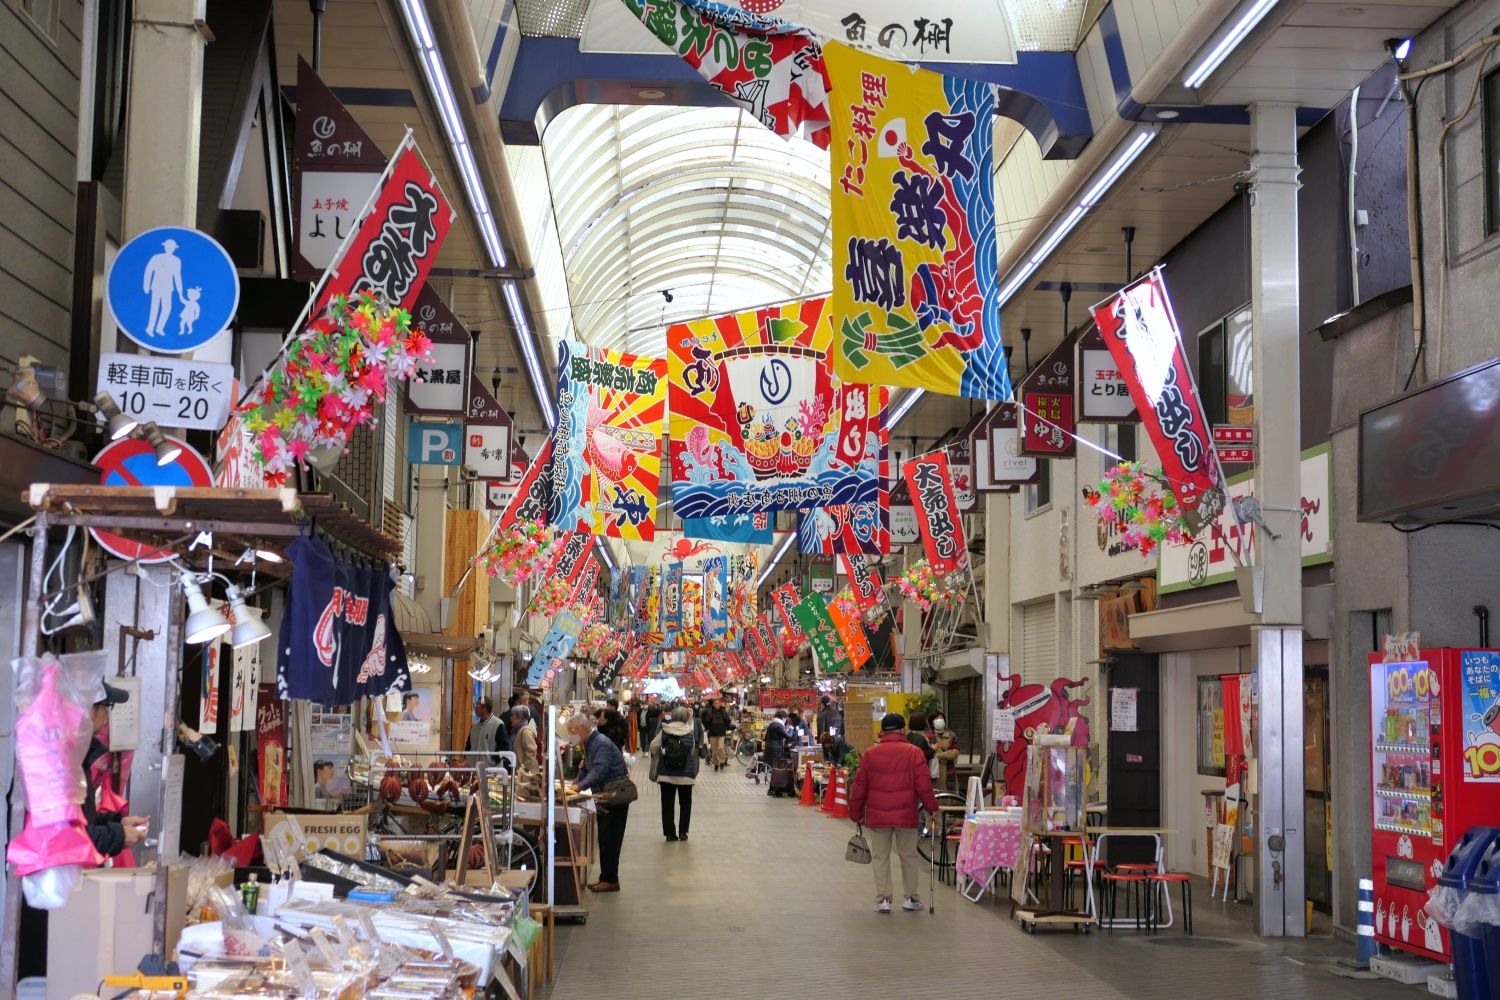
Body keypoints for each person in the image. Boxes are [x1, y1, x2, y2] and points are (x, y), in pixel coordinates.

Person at [849, 713, 939, 913]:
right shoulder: (914, 753)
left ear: (883, 731)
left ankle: (883, 900)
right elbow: (924, 785)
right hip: (906, 815)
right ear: (902, 730)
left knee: (881, 857)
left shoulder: (870, 754)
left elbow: (859, 787)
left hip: (878, 816)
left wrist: (856, 813)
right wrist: (932, 808)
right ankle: (911, 898)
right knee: (908, 856)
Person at [85, 680, 148, 858]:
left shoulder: (79, 757)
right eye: (106, 706)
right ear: (90, 710)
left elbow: (83, 820)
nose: (106, 715)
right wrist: (118, 836)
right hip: (57, 880)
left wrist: (120, 821)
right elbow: (67, 838)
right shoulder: (64, 762)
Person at [568, 712, 629, 892]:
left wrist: (580, 786)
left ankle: (611, 880)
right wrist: (576, 782)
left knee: (611, 838)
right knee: (604, 837)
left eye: (571, 730)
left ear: (582, 729)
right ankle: (606, 877)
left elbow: (600, 770)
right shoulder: (590, 743)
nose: (570, 734)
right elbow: (587, 768)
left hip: (614, 796)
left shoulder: (600, 743)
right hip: (605, 796)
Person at [650, 706, 701, 841]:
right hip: (686, 775)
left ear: (672, 716)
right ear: (686, 718)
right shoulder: (690, 732)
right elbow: (691, 751)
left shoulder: (665, 730)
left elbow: (653, 747)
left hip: (666, 774)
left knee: (667, 804)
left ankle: (669, 834)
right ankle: (683, 832)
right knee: (685, 804)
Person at [508, 704, 541, 796]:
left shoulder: (525, 731)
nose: (511, 718)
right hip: (522, 774)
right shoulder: (517, 730)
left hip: (527, 776)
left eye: (513, 715)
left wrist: (525, 773)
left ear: (520, 717)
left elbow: (531, 753)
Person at [931, 712, 961, 792]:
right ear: (932, 722)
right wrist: (946, 754)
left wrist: (938, 755)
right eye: (936, 718)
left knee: (950, 797)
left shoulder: (952, 735)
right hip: (934, 772)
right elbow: (928, 753)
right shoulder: (929, 736)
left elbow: (955, 752)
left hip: (949, 770)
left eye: (941, 718)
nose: (939, 720)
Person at [701, 698, 733, 771]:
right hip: (712, 734)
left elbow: (728, 721)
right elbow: (706, 722)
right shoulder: (710, 712)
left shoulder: (723, 712)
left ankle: (722, 761)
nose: (717, 704)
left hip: (721, 733)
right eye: (715, 703)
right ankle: (716, 763)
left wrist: (725, 727)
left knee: (721, 748)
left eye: (718, 703)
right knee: (714, 751)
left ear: (720, 704)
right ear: (713, 704)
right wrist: (708, 728)